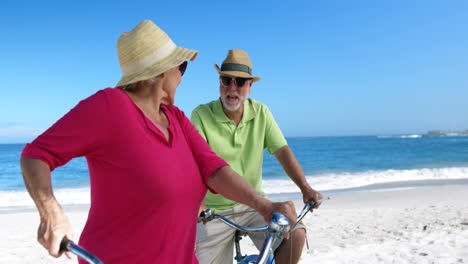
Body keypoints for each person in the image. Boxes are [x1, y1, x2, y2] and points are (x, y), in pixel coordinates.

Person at [20, 21, 297, 264]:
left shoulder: (175, 117)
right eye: (182, 67)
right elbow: (36, 154)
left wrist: (263, 206)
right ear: (162, 73)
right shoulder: (109, 106)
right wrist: (51, 212)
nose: (182, 76)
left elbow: (214, 170)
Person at [191, 49, 323, 264]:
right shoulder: (201, 114)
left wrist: (305, 188)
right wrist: (198, 204)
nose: (232, 89)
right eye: (226, 80)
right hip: (214, 211)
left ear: (250, 86)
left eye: (240, 82)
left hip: (254, 205)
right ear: (219, 82)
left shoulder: (261, 112)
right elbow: (197, 163)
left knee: (296, 233)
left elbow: (282, 151)